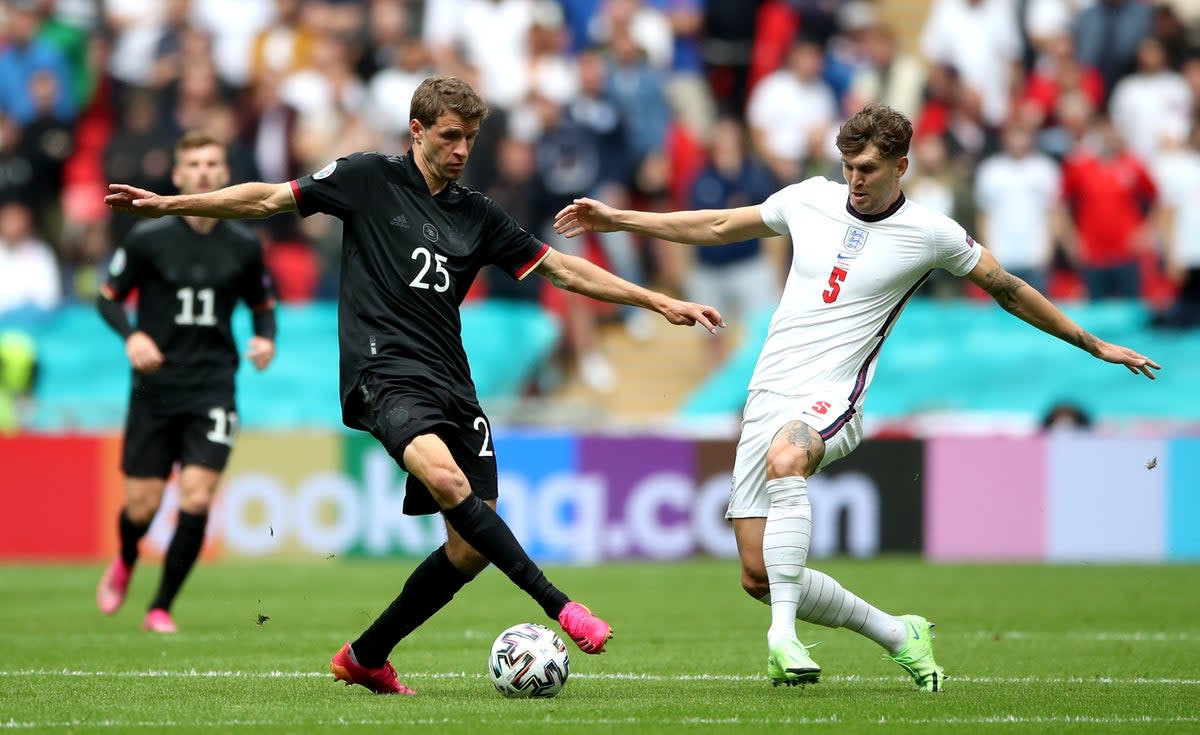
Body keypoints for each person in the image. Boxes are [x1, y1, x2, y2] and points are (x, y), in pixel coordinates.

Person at [105, 75, 724, 694]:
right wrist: (169, 204)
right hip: (382, 374)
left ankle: (368, 654)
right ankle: (560, 606)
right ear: (418, 131)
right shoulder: (368, 178)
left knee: (470, 545)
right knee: (450, 481)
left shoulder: (478, 215)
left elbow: (561, 269)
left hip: (452, 382)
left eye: (471, 139)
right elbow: (268, 200)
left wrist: (656, 301)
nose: (461, 150)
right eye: (451, 136)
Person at [554, 102, 1160, 692]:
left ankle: (783, 639)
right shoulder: (809, 199)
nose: (854, 181)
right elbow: (716, 224)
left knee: (788, 458)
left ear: (901, 165)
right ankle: (900, 635)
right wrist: (621, 219)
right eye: (847, 167)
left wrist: (1090, 342)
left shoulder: (931, 233)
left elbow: (1005, 286)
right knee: (757, 572)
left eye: (867, 169)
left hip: (833, 397)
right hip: (768, 392)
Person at [95, 131, 279, 634]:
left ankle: (161, 606)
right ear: (177, 176)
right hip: (155, 388)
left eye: (211, 163)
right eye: (193, 163)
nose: (202, 171)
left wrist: (266, 341)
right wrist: (132, 338)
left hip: (214, 387)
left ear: (223, 175)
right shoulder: (148, 237)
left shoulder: (243, 244)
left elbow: (264, 308)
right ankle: (128, 557)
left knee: (196, 497)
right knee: (142, 506)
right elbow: (107, 297)